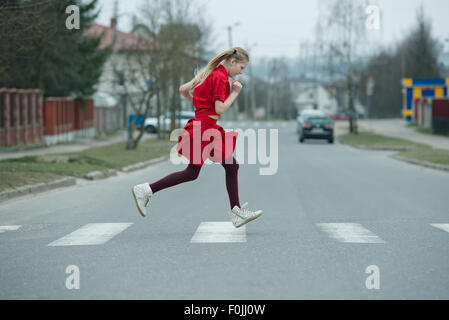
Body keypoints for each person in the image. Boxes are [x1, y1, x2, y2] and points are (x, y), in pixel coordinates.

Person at [131, 47, 263, 228]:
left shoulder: (209, 73)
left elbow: (183, 89)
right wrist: (235, 93)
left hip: (204, 126)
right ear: (232, 62)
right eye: (241, 68)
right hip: (206, 129)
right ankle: (145, 189)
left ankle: (147, 189)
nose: (240, 73)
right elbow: (220, 109)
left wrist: (201, 106)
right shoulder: (221, 78)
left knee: (212, 169)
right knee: (214, 169)